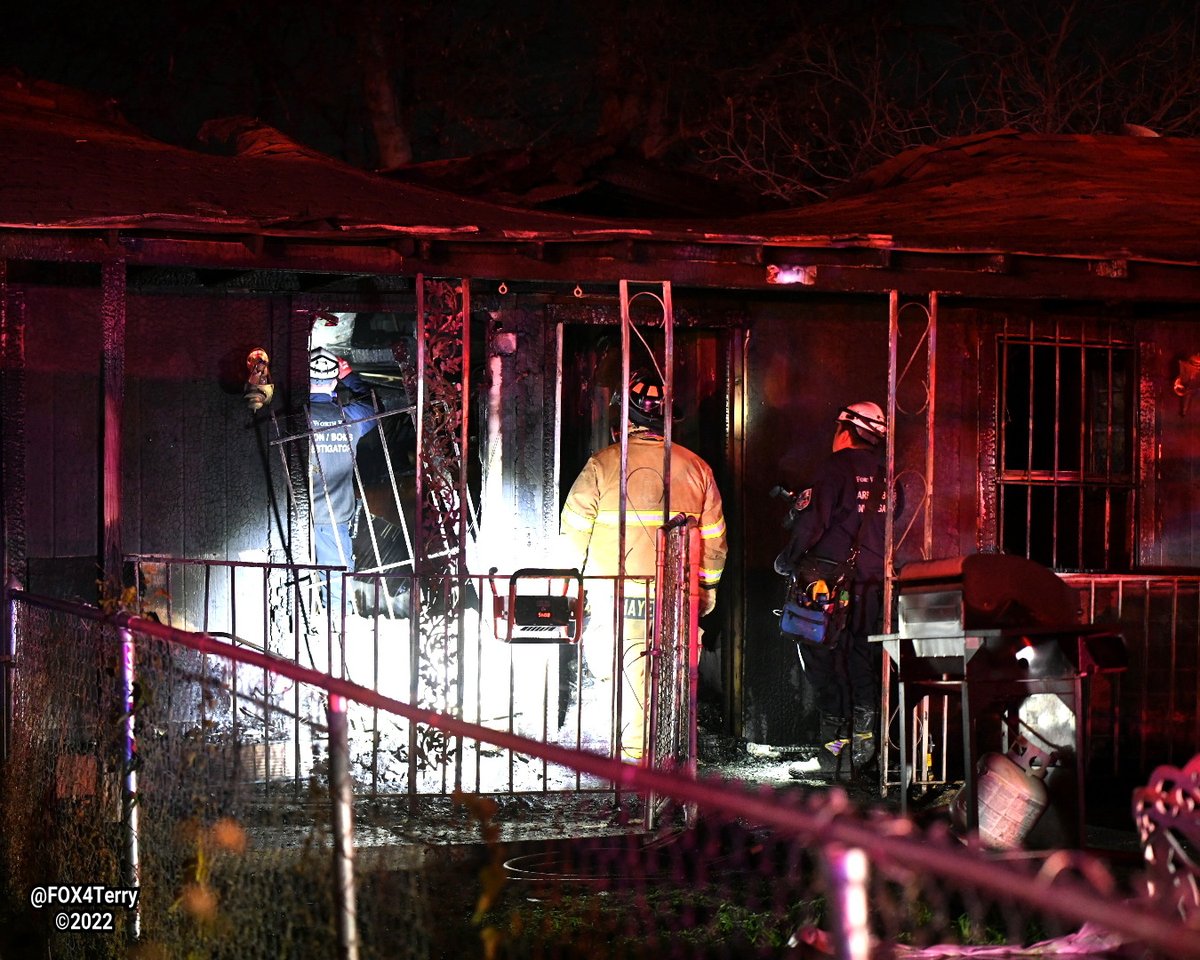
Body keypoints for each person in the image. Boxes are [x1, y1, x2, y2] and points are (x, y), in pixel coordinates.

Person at [560, 370, 727, 762]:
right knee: (673, 673)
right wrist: (704, 592)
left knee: (623, 672)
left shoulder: (601, 465)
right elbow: (715, 541)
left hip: (615, 593)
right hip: (676, 594)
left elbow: (574, 534)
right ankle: (670, 759)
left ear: (625, 418)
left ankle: (637, 763)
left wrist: (571, 589)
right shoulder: (698, 469)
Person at [774, 401, 889, 780]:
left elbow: (812, 524)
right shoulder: (891, 474)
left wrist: (787, 561)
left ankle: (832, 757)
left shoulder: (833, 469)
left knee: (824, 665)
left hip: (827, 587)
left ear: (846, 429)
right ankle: (862, 754)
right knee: (862, 662)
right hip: (873, 586)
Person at [308, 347, 376, 616]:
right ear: (335, 380)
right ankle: (336, 632)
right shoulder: (350, 417)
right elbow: (375, 406)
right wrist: (350, 376)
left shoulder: (297, 417)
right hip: (334, 514)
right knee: (336, 581)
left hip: (295, 512)